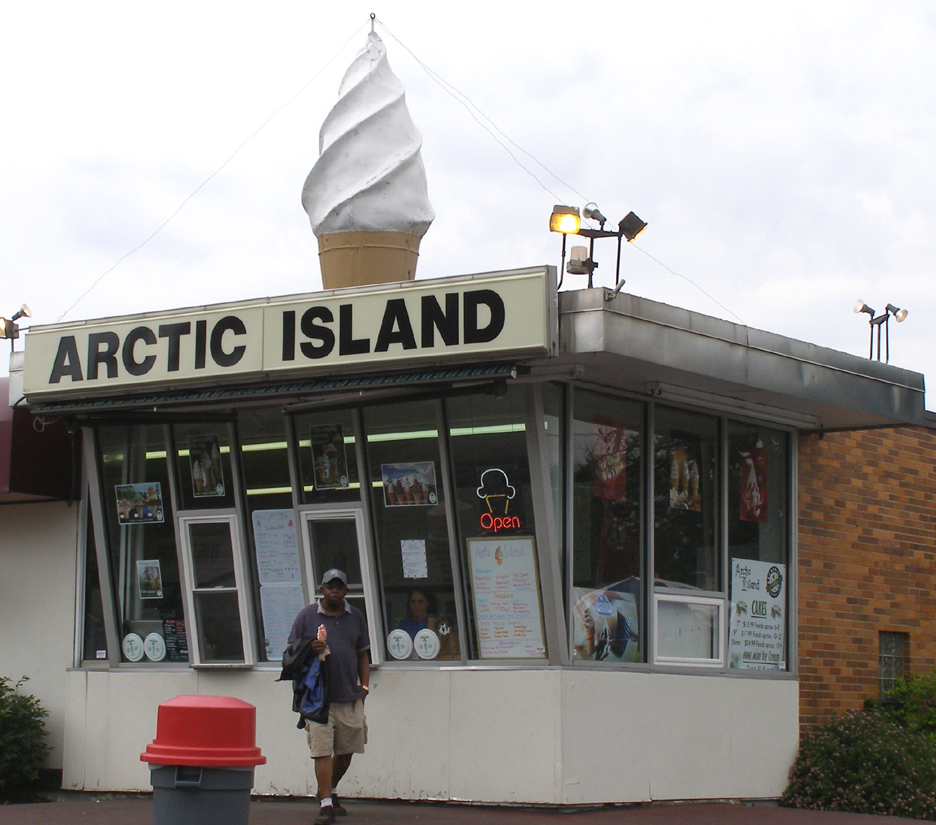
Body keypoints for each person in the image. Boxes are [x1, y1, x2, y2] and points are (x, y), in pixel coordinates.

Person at [288, 569, 370, 825]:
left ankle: (329, 789)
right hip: (317, 697)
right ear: (322, 589)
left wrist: (364, 687)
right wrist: (309, 648)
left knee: (347, 751)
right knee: (322, 750)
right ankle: (325, 805)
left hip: (349, 695)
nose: (334, 590)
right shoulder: (307, 616)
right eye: (329, 586)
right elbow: (290, 654)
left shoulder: (355, 616)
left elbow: (362, 653)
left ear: (345, 590)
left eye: (339, 586)